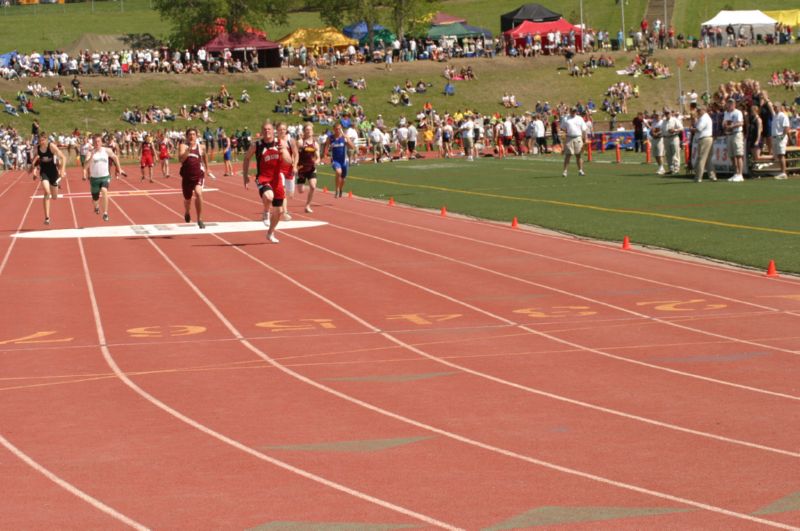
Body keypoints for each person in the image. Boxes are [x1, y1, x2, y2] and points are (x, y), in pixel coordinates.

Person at [242, 121, 292, 243]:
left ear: (273, 131)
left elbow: (289, 161)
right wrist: (245, 176)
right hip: (263, 177)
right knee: (268, 196)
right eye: (264, 129)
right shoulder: (257, 145)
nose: (267, 131)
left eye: (269, 129)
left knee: (279, 210)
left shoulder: (281, 143)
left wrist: (283, 152)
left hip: (276, 179)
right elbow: (247, 158)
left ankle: (270, 233)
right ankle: (265, 212)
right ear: (261, 131)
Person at [82, 133, 124, 221]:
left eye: (98, 141)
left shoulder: (107, 150)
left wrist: (119, 169)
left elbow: (115, 157)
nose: (97, 143)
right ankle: (96, 207)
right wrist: (92, 156)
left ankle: (105, 213)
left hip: (105, 177)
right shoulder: (90, 152)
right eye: (95, 142)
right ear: (93, 143)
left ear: (101, 142)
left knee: (104, 191)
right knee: (95, 199)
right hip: (94, 179)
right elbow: (85, 166)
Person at [29, 131, 66, 225]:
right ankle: (47, 217)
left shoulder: (51, 146)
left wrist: (62, 170)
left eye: (43, 140)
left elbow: (63, 158)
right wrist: (32, 170)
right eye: (40, 140)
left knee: (54, 197)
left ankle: (55, 185)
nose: (41, 142)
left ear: (46, 140)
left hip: (53, 172)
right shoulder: (37, 148)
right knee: (46, 192)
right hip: (44, 172)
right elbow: (35, 161)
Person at [178, 128, 211, 229]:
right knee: (187, 199)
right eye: (190, 135)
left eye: (194, 134)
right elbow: (181, 159)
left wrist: (208, 168)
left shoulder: (201, 147)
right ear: (187, 136)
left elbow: (205, 156)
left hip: (198, 175)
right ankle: (187, 212)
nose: (192, 136)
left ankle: (199, 219)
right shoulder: (183, 146)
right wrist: (188, 150)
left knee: (198, 193)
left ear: (196, 136)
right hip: (187, 177)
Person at [324, 122, 355, 198]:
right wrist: (325, 154)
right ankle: (337, 189)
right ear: (334, 129)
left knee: (343, 179)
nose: (338, 130)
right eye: (336, 129)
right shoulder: (330, 138)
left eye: (339, 129)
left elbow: (352, 147)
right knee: (338, 172)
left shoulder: (344, 138)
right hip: (335, 160)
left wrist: (346, 138)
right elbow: (326, 146)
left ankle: (340, 189)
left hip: (344, 161)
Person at [276, 122, 298, 221]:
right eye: (280, 129)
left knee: (290, 194)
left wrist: (295, 166)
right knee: (283, 190)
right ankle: (284, 212)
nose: (282, 131)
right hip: (279, 169)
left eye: (284, 129)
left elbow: (296, 154)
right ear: (277, 130)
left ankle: (280, 205)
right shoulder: (274, 141)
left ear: (286, 130)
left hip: (289, 169)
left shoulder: (291, 141)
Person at [296, 122, 320, 213]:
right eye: (307, 130)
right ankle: (300, 182)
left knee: (313, 187)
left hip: (311, 168)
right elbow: (295, 154)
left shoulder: (315, 144)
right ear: (304, 131)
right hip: (301, 169)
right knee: (301, 190)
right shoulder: (301, 142)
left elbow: (318, 157)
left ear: (312, 131)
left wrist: (316, 162)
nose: (309, 131)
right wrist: (295, 165)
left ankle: (307, 206)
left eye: (310, 130)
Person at [722, 98, 745, 182]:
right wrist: (725, 126)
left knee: (738, 154)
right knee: (732, 156)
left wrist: (732, 126)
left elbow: (741, 123)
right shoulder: (726, 113)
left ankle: (740, 174)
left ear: (734, 104)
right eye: (729, 103)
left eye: (731, 103)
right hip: (729, 135)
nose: (730, 105)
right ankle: (736, 173)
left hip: (736, 134)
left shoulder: (738, 112)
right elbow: (724, 122)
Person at [561, 107, 587, 177]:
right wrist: (563, 138)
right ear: (570, 111)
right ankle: (565, 171)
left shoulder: (580, 118)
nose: (574, 112)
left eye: (575, 111)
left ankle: (580, 171)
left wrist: (585, 139)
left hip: (578, 137)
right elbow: (563, 129)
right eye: (573, 111)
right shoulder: (566, 118)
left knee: (579, 155)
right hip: (569, 137)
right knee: (568, 155)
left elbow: (584, 129)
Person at [692, 106, 716, 183]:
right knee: (708, 159)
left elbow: (699, 129)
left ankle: (698, 177)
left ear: (704, 110)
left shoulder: (704, 118)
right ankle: (712, 176)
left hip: (704, 139)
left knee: (701, 158)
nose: (698, 112)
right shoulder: (705, 117)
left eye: (699, 110)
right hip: (708, 138)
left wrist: (691, 129)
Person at [772, 102, 790, 180]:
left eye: (776, 107)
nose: (774, 108)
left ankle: (783, 172)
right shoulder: (775, 116)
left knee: (781, 154)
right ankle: (781, 171)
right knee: (779, 155)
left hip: (780, 137)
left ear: (779, 107)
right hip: (775, 137)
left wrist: (781, 137)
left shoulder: (783, 116)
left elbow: (786, 127)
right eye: (774, 107)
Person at [663, 108, 683, 174]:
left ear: (670, 113)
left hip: (674, 137)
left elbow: (681, 128)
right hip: (666, 138)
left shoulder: (674, 120)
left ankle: (676, 169)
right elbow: (662, 130)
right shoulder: (664, 121)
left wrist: (674, 130)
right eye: (665, 113)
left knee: (675, 154)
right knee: (668, 155)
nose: (667, 114)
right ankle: (670, 169)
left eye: (668, 113)